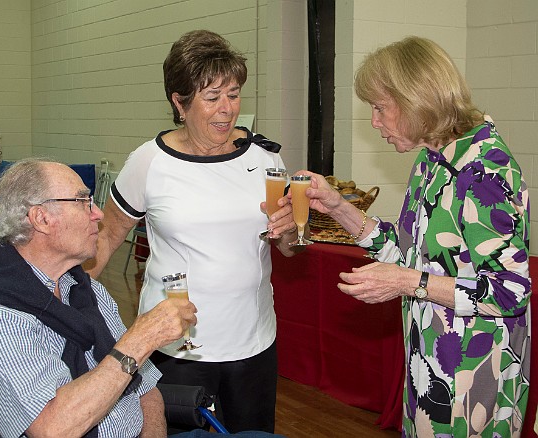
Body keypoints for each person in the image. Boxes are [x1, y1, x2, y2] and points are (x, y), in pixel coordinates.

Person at [302, 36, 531, 437]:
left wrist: (408, 282)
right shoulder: (432, 159)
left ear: (416, 100)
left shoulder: (483, 171)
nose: (374, 122)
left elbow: (510, 291)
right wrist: (337, 207)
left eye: (380, 108)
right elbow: (407, 252)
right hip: (429, 365)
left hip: (474, 377)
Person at [85, 29, 300, 433]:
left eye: (233, 94)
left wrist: (290, 231)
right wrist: (63, 304)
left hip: (253, 344)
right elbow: (107, 238)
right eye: (212, 97)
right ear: (179, 102)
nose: (227, 109)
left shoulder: (265, 159)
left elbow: (289, 247)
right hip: (176, 346)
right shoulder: (149, 161)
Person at [0, 158, 199, 437]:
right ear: (41, 218)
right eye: (83, 201)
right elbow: (53, 429)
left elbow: (146, 389)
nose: (98, 214)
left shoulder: (85, 288)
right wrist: (141, 339)